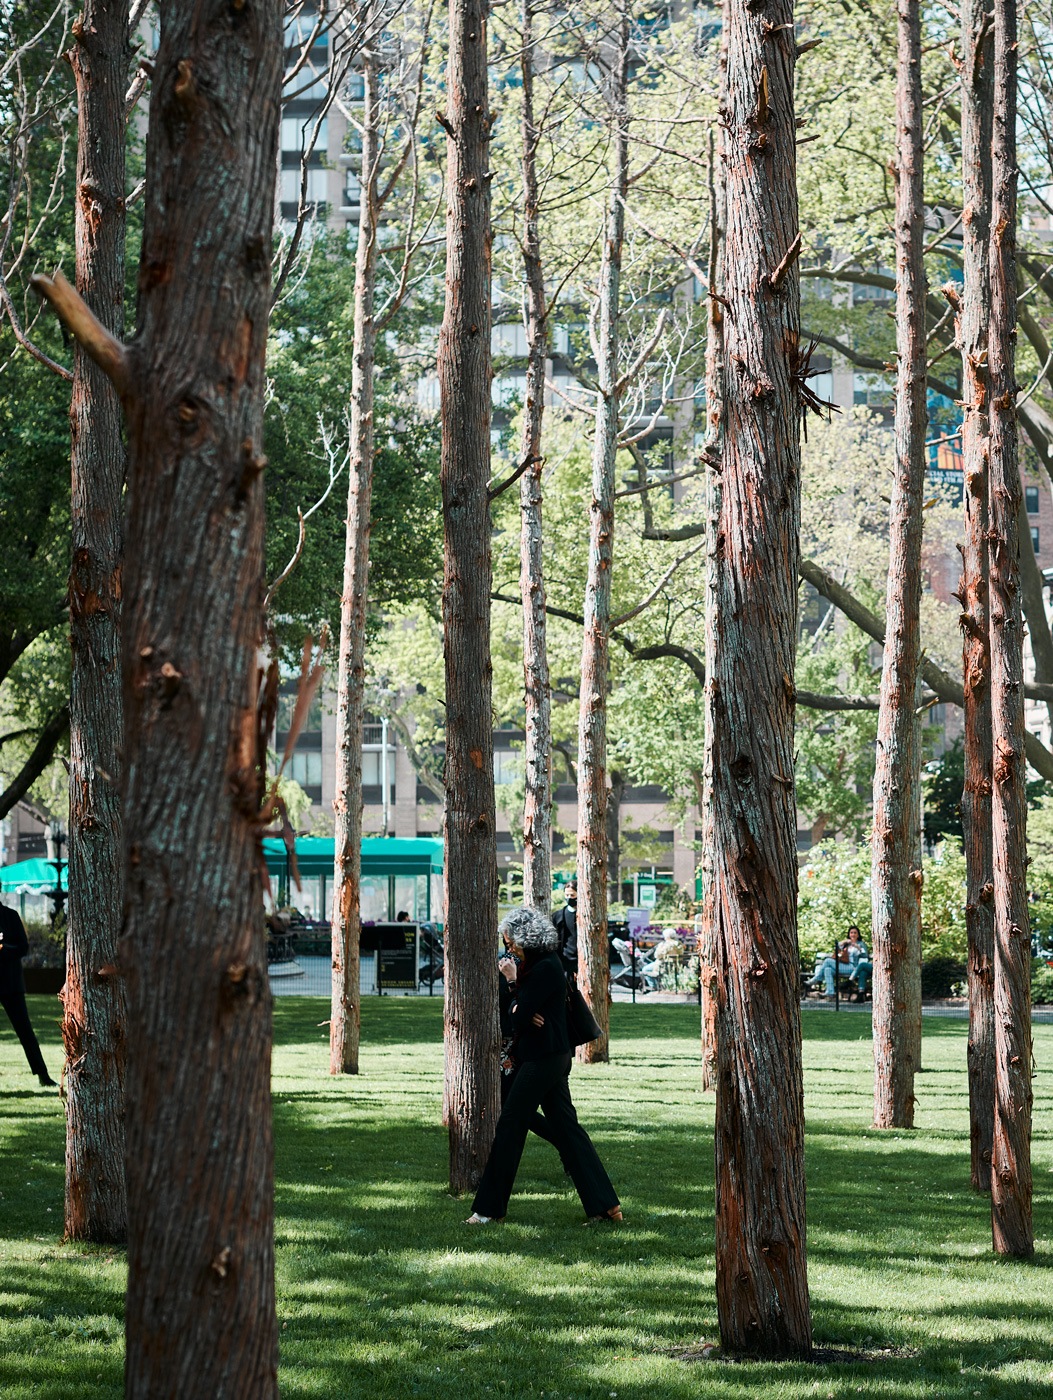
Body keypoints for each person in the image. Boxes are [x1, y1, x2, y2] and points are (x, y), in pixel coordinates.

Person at [467, 907, 621, 1226]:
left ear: (525, 938)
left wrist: (513, 990)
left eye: (511, 942)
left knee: (510, 1124)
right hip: (549, 1056)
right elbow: (523, 1013)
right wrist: (521, 1005)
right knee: (567, 1131)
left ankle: (487, 1210)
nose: (509, 949)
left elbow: (519, 1016)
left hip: (544, 1058)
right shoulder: (539, 966)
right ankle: (606, 1208)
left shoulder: (544, 968)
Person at [0, 898, 56, 1086]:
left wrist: (3, 948)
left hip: (11, 985)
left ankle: (43, 1075)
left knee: (25, 1032)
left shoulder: (10, 916)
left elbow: (23, 948)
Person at [810, 924, 871, 1001]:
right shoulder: (847, 944)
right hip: (843, 965)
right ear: (849, 934)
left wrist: (858, 947)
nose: (853, 934)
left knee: (827, 961)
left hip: (853, 968)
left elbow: (865, 955)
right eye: (851, 932)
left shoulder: (861, 944)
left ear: (858, 935)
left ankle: (817, 978)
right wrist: (844, 941)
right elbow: (837, 948)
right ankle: (830, 992)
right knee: (827, 969)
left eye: (855, 933)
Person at [552, 881, 578, 981]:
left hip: (581, 961)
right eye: (567, 895)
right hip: (564, 961)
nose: (569, 898)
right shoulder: (558, 916)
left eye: (572, 895)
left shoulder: (586, 916)